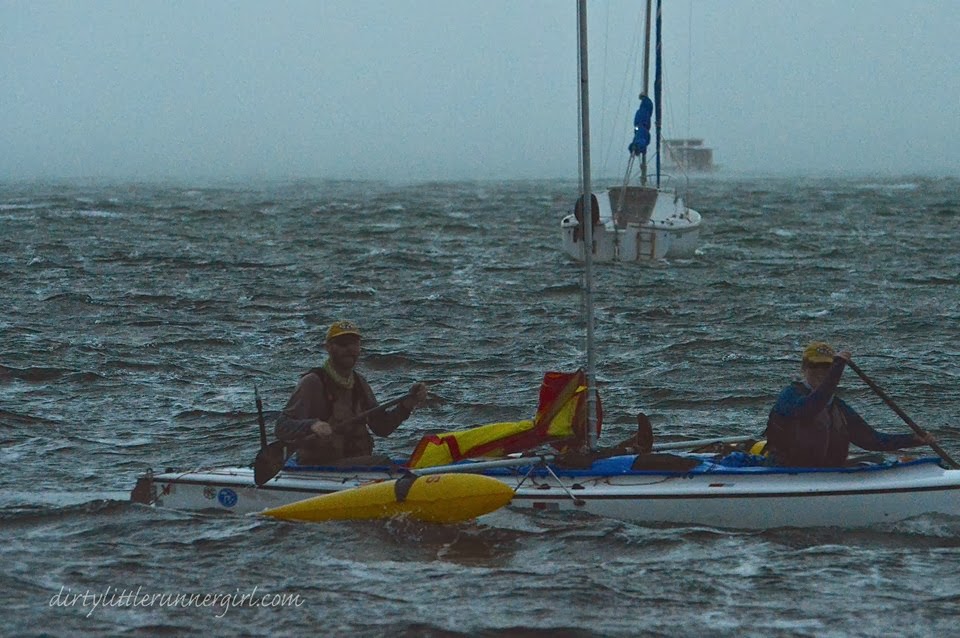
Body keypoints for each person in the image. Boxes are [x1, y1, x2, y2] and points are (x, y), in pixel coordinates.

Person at [275, 320, 428, 465]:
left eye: (354, 344)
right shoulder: (313, 382)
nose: (349, 349)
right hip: (320, 467)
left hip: (354, 467)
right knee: (382, 462)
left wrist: (406, 406)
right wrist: (311, 425)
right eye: (343, 344)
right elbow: (281, 427)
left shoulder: (360, 383)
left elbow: (382, 428)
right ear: (328, 347)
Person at [764, 341, 933, 467]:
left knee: (876, 459)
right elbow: (809, 409)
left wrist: (913, 439)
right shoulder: (789, 396)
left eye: (827, 367)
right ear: (804, 368)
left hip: (826, 473)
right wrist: (836, 370)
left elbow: (871, 440)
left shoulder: (838, 407)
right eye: (815, 366)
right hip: (786, 471)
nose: (820, 372)